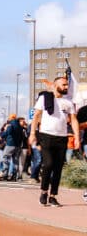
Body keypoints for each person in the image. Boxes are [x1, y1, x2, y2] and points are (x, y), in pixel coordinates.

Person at [28, 74, 79, 207]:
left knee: (58, 168)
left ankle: (53, 196)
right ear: (55, 86)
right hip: (46, 136)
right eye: (64, 84)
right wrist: (32, 133)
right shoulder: (44, 98)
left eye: (67, 85)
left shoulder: (68, 102)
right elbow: (36, 116)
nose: (66, 87)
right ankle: (44, 191)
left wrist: (77, 137)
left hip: (62, 138)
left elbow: (73, 120)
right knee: (49, 164)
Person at [0, 114, 25, 181]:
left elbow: (8, 132)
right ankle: (14, 175)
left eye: (9, 118)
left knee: (5, 157)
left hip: (10, 144)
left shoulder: (11, 124)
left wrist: (1, 136)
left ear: (11, 118)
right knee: (15, 160)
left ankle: (5, 173)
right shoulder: (20, 126)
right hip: (18, 145)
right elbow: (22, 136)